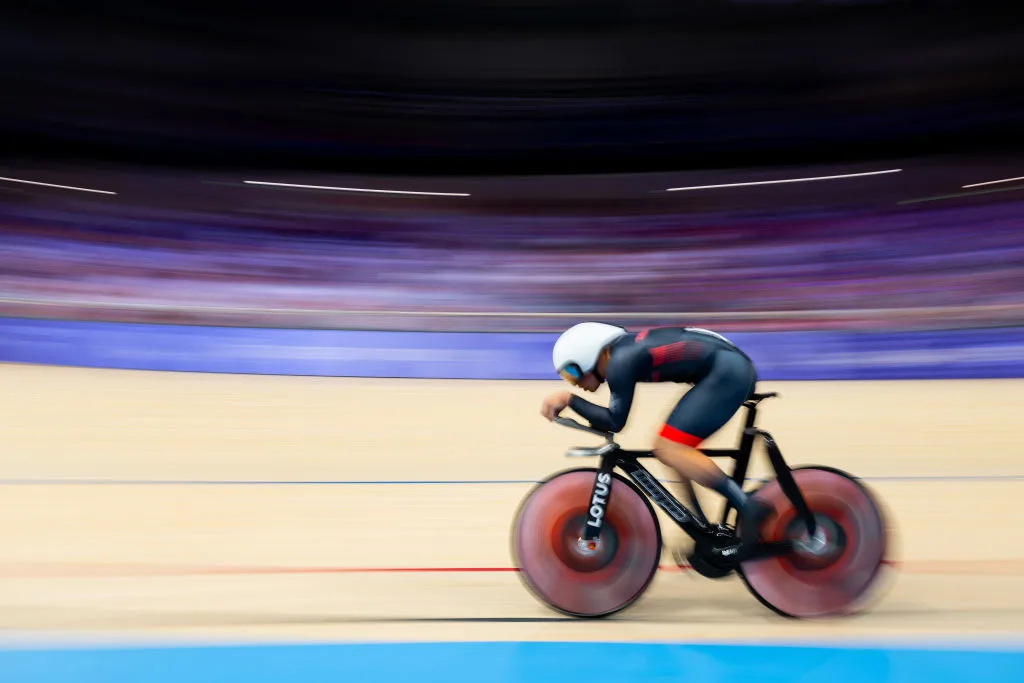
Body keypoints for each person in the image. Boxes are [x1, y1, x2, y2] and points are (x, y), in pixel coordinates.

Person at [540, 321, 771, 551]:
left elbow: (614, 421)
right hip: (726, 368)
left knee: (669, 448)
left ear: (587, 353)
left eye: (572, 372)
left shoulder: (619, 362)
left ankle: (748, 507)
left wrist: (569, 399)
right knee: (672, 450)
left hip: (727, 372)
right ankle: (702, 529)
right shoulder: (624, 352)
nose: (575, 383)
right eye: (568, 380)